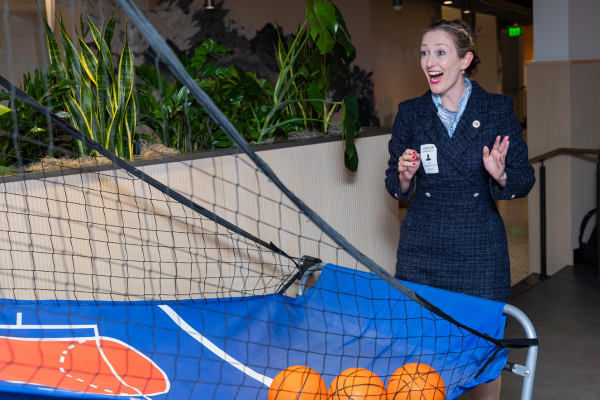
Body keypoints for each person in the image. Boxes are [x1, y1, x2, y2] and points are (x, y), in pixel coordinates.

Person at [384, 19, 535, 400]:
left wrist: (501, 176)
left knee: (482, 353)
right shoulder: (411, 113)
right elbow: (394, 185)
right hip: (422, 249)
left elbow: (524, 178)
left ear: (465, 60)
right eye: (424, 53)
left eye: (440, 52)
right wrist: (404, 177)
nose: (429, 62)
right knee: (422, 350)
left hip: (480, 250)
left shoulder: (497, 109)